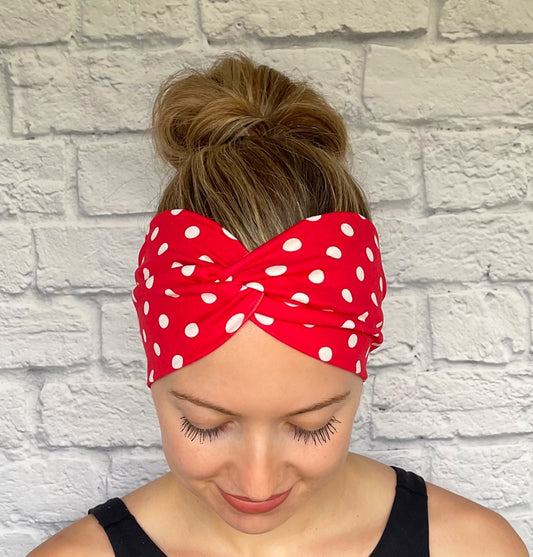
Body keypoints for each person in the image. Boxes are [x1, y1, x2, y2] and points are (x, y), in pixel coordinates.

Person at [28, 51, 528, 557]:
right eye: (205, 424)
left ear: (361, 372)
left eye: (313, 426)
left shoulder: (472, 548)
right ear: (154, 371)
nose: (258, 483)